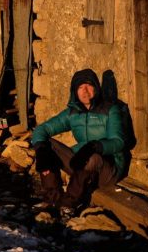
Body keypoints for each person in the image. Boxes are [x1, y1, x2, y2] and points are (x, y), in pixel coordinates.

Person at [31, 68, 126, 220]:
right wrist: (41, 149)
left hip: (108, 170)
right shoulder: (73, 113)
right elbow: (43, 129)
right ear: (75, 91)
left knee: (93, 158)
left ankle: (69, 203)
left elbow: (119, 142)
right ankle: (52, 198)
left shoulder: (110, 110)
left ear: (96, 88)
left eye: (89, 86)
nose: (85, 91)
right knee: (46, 146)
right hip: (81, 165)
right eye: (80, 87)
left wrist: (96, 146)